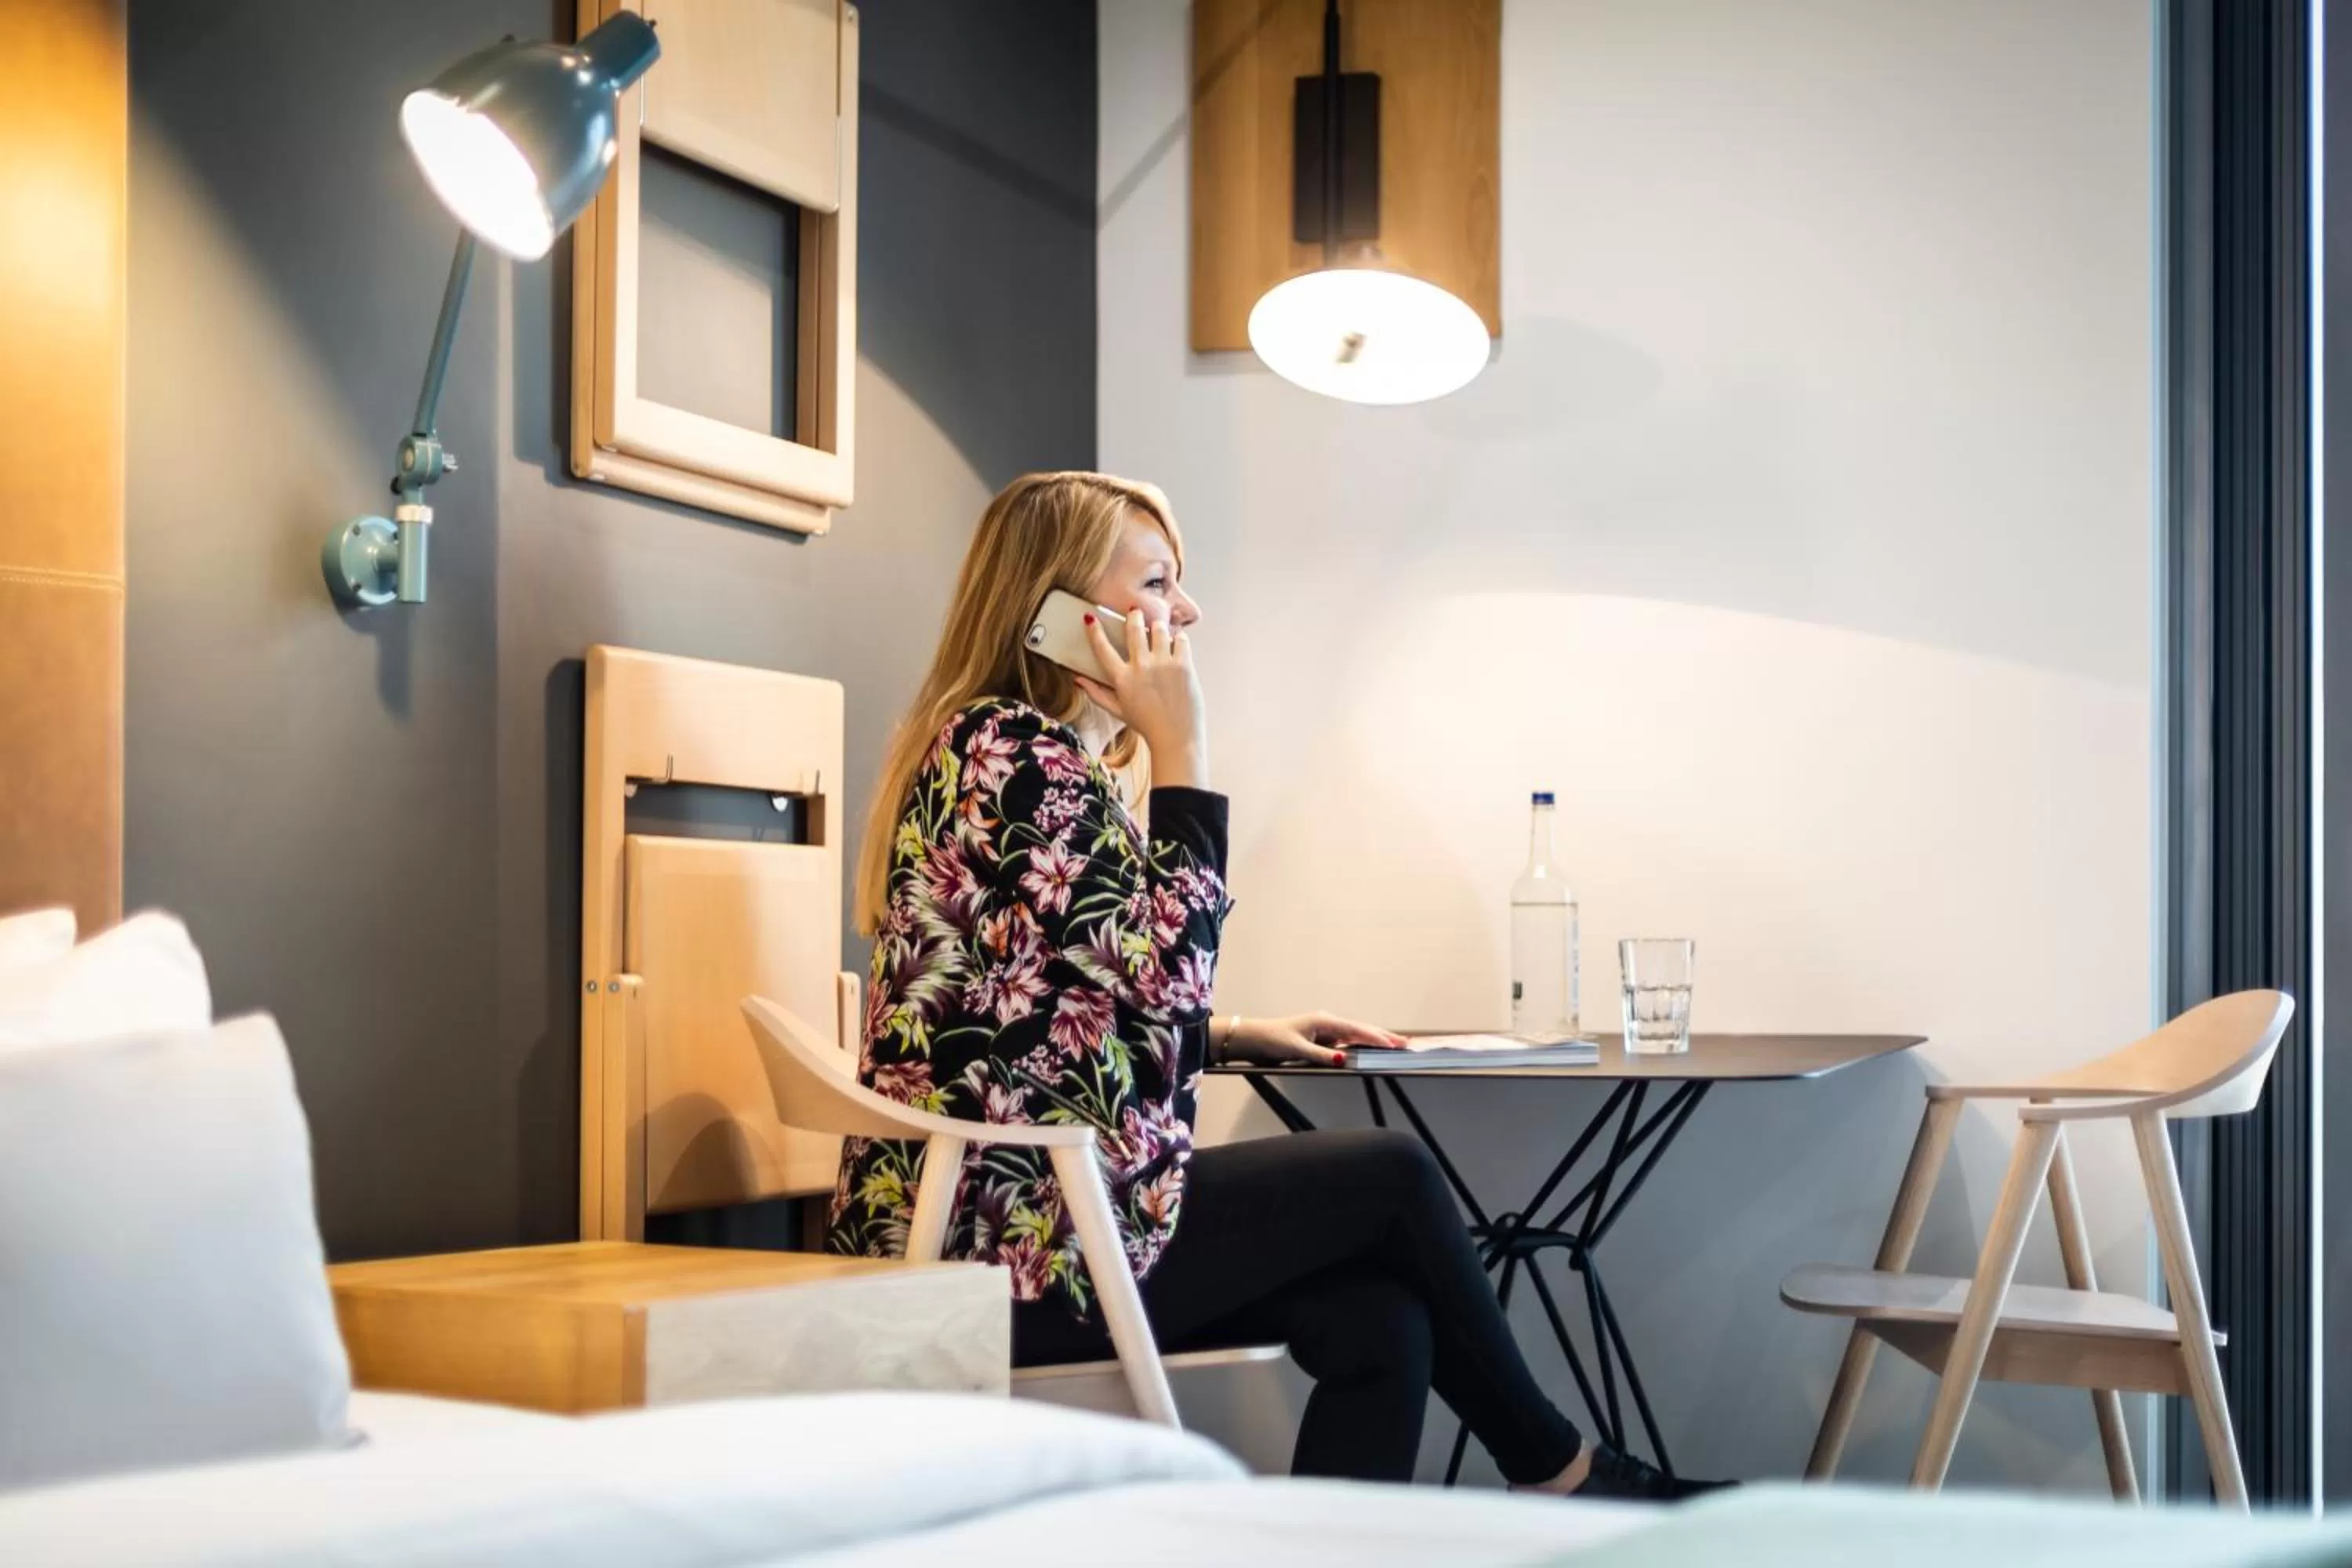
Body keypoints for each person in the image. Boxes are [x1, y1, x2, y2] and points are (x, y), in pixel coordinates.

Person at [829, 471, 1719, 1499]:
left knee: (1381, 1320)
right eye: (1157, 582)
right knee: (1395, 1175)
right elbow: (1162, 984)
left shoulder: (998, 748)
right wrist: (1183, 752)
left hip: (1010, 1229)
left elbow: (1045, 1005)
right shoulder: (1014, 755)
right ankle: (1567, 1474)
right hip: (1008, 1254)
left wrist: (1235, 1033)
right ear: (1061, 614)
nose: (1188, 611)